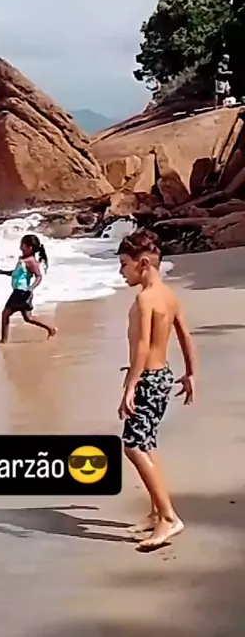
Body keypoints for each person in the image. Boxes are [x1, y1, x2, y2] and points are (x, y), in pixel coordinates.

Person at [117, 228, 196, 551]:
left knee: (133, 446)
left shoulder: (145, 298)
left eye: (124, 264)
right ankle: (154, 513)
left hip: (148, 379)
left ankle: (167, 517)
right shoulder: (169, 295)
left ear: (144, 263)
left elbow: (142, 345)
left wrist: (130, 385)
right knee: (147, 443)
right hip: (163, 376)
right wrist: (190, 373)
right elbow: (185, 335)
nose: (121, 272)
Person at [0, 234, 57, 344]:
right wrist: (3, 272)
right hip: (20, 292)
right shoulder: (23, 260)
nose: (20, 248)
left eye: (22, 245)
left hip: (22, 293)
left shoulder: (31, 261)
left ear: (30, 248)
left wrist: (31, 287)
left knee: (5, 313)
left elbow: (39, 276)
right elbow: (16, 273)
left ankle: (3, 340)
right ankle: (50, 329)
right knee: (28, 318)